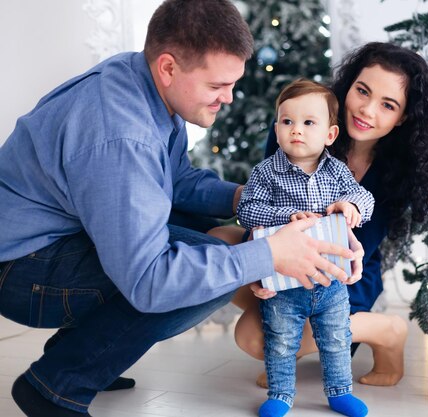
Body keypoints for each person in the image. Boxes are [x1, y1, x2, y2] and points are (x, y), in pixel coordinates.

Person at [0, 1, 362, 416]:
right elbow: (151, 281)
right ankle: (56, 385)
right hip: (20, 270)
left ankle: (83, 348)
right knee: (218, 268)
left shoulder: (138, 79)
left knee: (201, 229)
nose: (229, 98)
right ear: (169, 67)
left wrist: (250, 199)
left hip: (53, 236)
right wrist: (269, 254)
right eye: (217, 86)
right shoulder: (123, 138)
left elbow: (173, 181)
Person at [233, 42, 428, 388]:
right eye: (362, 91)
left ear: (402, 117)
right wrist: (259, 257)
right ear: (348, 85)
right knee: (220, 242)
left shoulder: (398, 171)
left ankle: (385, 330)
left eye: (387, 105)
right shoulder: (301, 126)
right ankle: (283, 337)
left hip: (344, 269)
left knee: (252, 339)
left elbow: (356, 247)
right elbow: (259, 212)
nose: (366, 110)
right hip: (284, 253)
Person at [236, 79, 373, 417]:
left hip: (331, 281)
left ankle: (340, 392)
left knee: (337, 339)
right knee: (280, 342)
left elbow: (364, 197)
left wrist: (352, 206)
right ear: (277, 128)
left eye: (309, 122)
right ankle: (281, 394)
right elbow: (246, 210)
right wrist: (286, 215)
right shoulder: (267, 172)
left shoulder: (337, 172)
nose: (296, 130)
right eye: (287, 121)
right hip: (284, 282)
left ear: (329, 134)